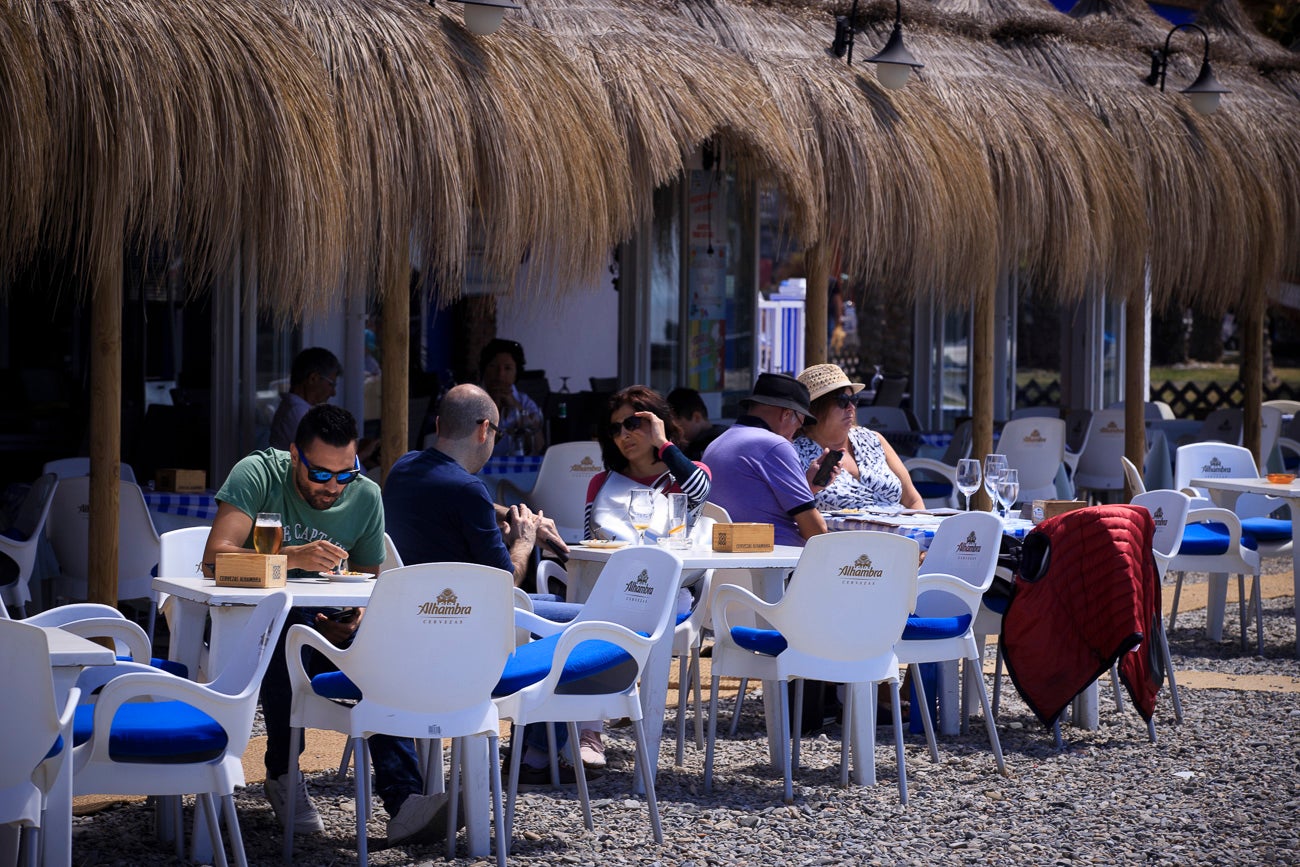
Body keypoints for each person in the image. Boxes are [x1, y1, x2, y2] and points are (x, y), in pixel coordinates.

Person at [203, 405, 445, 845]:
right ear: (295, 455)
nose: (332, 486)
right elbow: (214, 558)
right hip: (250, 628)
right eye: (319, 474)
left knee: (380, 650)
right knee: (283, 625)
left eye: (344, 475)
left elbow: (371, 587)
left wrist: (353, 623)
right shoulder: (258, 473)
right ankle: (283, 772)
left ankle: (405, 800)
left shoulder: (366, 495)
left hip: (326, 632)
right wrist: (291, 558)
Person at [383, 384, 584, 782]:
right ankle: (539, 754)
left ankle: (541, 749)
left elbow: (453, 500)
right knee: (585, 622)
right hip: (468, 628)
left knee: (565, 619)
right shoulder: (468, 488)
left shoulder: (404, 468)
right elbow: (506, 583)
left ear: (440, 424)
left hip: (415, 624)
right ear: (484, 430)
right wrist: (525, 540)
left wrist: (510, 514)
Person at [580, 384, 711, 767]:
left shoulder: (688, 476)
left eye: (634, 424)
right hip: (613, 589)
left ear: (656, 423)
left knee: (602, 621)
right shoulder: (601, 484)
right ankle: (591, 728)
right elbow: (592, 544)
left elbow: (701, 491)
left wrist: (664, 443)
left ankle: (597, 721)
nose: (623, 435)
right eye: (616, 429)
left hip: (675, 596)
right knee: (596, 616)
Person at [702, 373, 836, 547]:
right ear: (787, 414)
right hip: (778, 563)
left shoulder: (717, 443)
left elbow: (752, 503)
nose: (794, 435)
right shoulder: (775, 445)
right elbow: (816, 531)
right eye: (799, 424)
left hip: (730, 562)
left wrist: (807, 487)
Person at [794, 363, 924, 512]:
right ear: (815, 408)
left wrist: (921, 530)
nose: (851, 407)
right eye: (842, 401)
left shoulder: (873, 440)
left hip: (900, 531)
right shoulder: (795, 454)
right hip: (841, 534)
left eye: (854, 400)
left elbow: (912, 499)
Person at [479, 338, 545, 457]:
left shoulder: (524, 402)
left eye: (508, 368)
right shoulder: (470, 398)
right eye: (493, 366)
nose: (500, 374)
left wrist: (515, 407)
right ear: (484, 369)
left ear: (516, 373)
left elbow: (538, 446)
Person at [269, 348, 342, 451]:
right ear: (313, 378)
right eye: (331, 384)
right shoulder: (297, 413)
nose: (333, 393)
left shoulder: (298, 410)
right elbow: (329, 460)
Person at [666, 387, 728, 461]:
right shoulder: (726, 436)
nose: (675, 431)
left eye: (677, 426)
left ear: (696, 417)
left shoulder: (711, 445)